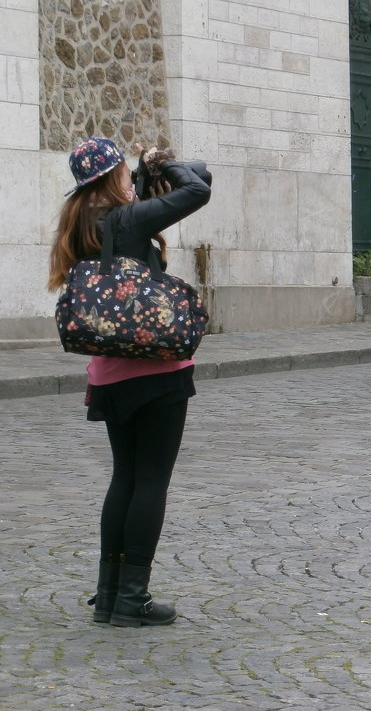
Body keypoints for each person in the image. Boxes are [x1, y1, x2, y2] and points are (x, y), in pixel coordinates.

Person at [46, 137, 211, 627]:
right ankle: (133, 598)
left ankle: (110, 591)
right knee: (151, 480)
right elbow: (198, 190)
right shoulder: (127, 218)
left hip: (109, 372)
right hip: (157, 370)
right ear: (111, 174)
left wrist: (142, 177)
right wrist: (166, 164)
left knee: (124, 476)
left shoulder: (79, 222)